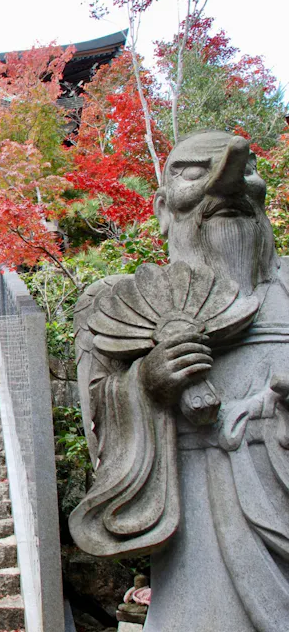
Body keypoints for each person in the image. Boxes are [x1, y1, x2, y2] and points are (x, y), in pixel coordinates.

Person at [71, 131, 289, 631]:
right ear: (163, 207)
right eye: (194, 173)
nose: (227, 186)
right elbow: (98, 438)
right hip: (199, 544)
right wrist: (146, 385)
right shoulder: (121, 305)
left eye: (246, 173)